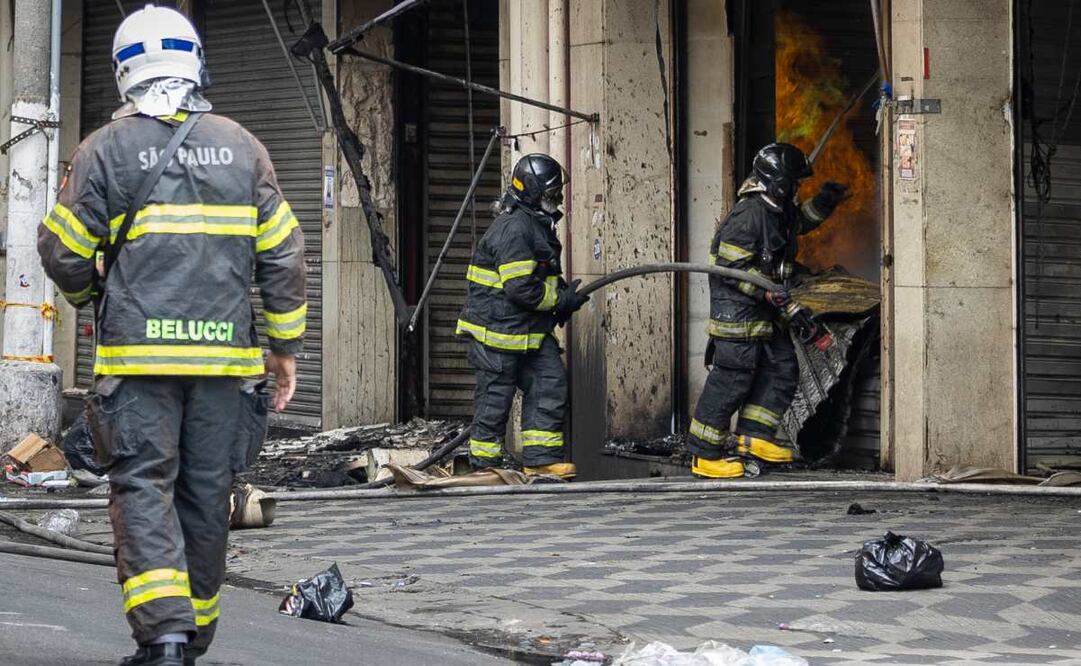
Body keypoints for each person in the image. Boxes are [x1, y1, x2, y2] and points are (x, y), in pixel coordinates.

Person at [37, 6, 306, 664]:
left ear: (124, 70)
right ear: (195, 61)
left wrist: (88, 296)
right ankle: (193, 641)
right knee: (207, 495)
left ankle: (162, 636)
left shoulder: (104, 148)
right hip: (226, 365)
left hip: (139, 360)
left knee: (143, 484)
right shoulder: (243, 147)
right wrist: (284, 348)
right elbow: (285, 255)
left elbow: (62, 250)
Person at [688, 142, 846, 479]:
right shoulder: (749, 215)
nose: (797, 190)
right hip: (739, 316)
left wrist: (823, 202)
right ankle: (704, 455)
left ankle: (753, 438)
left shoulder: (779, 209)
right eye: (794, 184)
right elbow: (730, 268)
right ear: (776, 183)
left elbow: (798, 223)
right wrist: (773, 295)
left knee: (782, 368)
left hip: (766, 311)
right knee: (732, 380)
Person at [456, 153, 587, 479]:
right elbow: (521, 289)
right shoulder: (515, 228)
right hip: (497, 334)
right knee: (495, 400)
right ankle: (484, 466)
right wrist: (560, 301)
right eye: (550, 194)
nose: (555, 200)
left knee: (550, 384)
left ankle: (541, 459)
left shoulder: (534, 224)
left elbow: (538, 275)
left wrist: (563, 293)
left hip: (528, 332)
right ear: (531, 193)